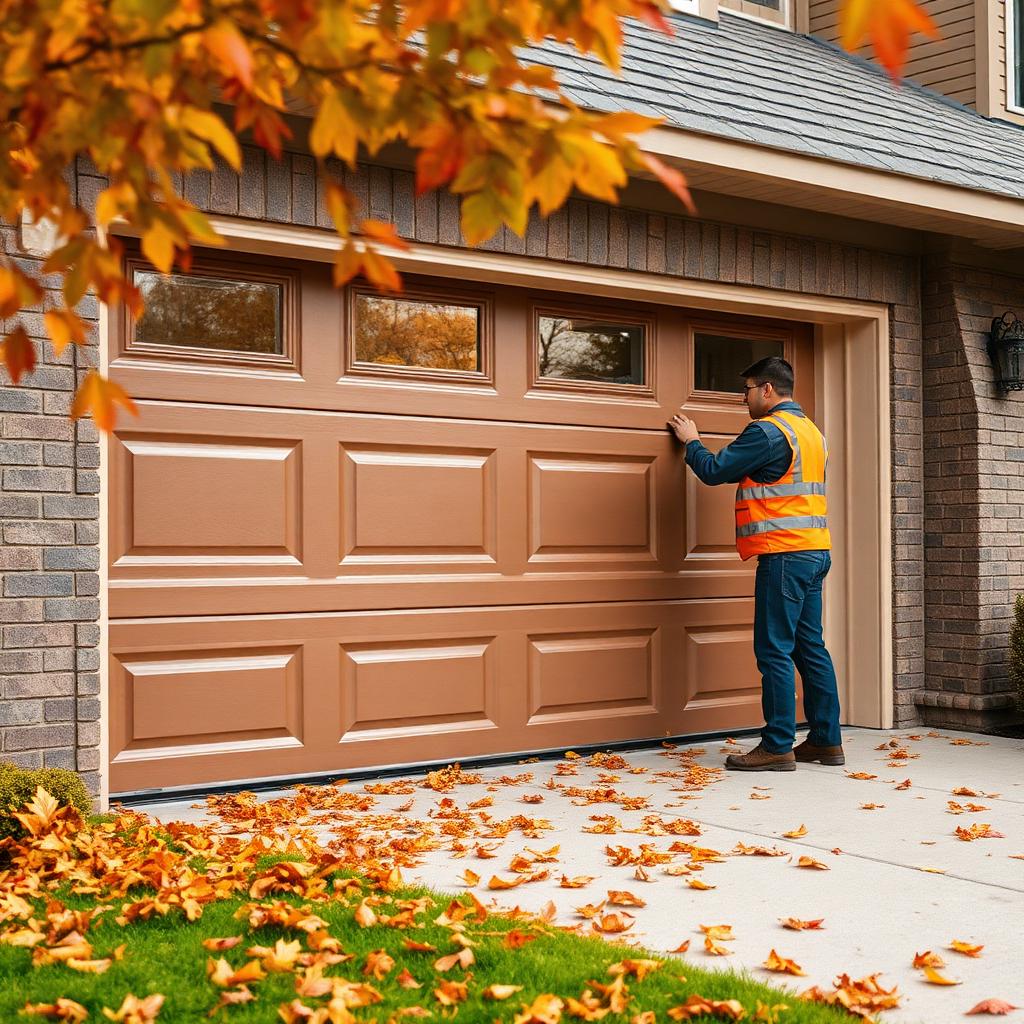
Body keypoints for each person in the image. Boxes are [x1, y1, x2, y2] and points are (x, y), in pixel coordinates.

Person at [667, 356, 843, 772]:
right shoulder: (811, 433)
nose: (742, 399)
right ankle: (826, 741)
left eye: (745, 390)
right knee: (809, 647)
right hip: (814, 551)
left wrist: (691, 440)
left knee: (774, 650)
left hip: (783, 554)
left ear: (767, 390)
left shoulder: (767, 431)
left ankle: (778, 746)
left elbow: (714, 471)